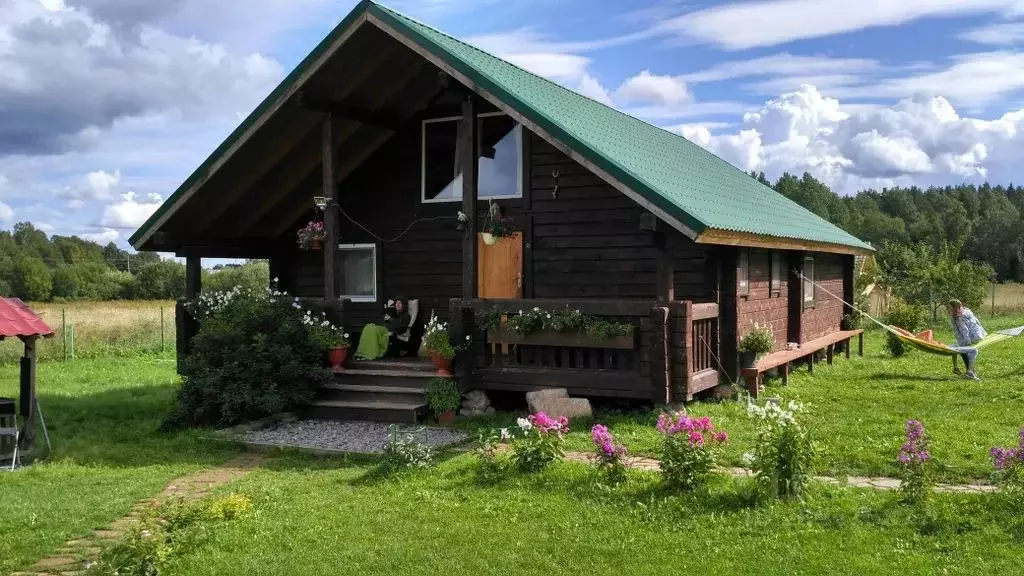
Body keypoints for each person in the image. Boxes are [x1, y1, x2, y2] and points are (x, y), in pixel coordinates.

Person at [949, 299, 986, 381]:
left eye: (950, 307)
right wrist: (983, 332)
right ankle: (967, 371)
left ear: (953, 307)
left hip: (967, 338)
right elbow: (977, 321)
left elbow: (964, 330)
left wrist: (967, 342)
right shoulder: (967, 310)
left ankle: (970, 372)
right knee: (963, 350)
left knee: (967, 352)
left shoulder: (957, 316)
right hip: (977, 335)